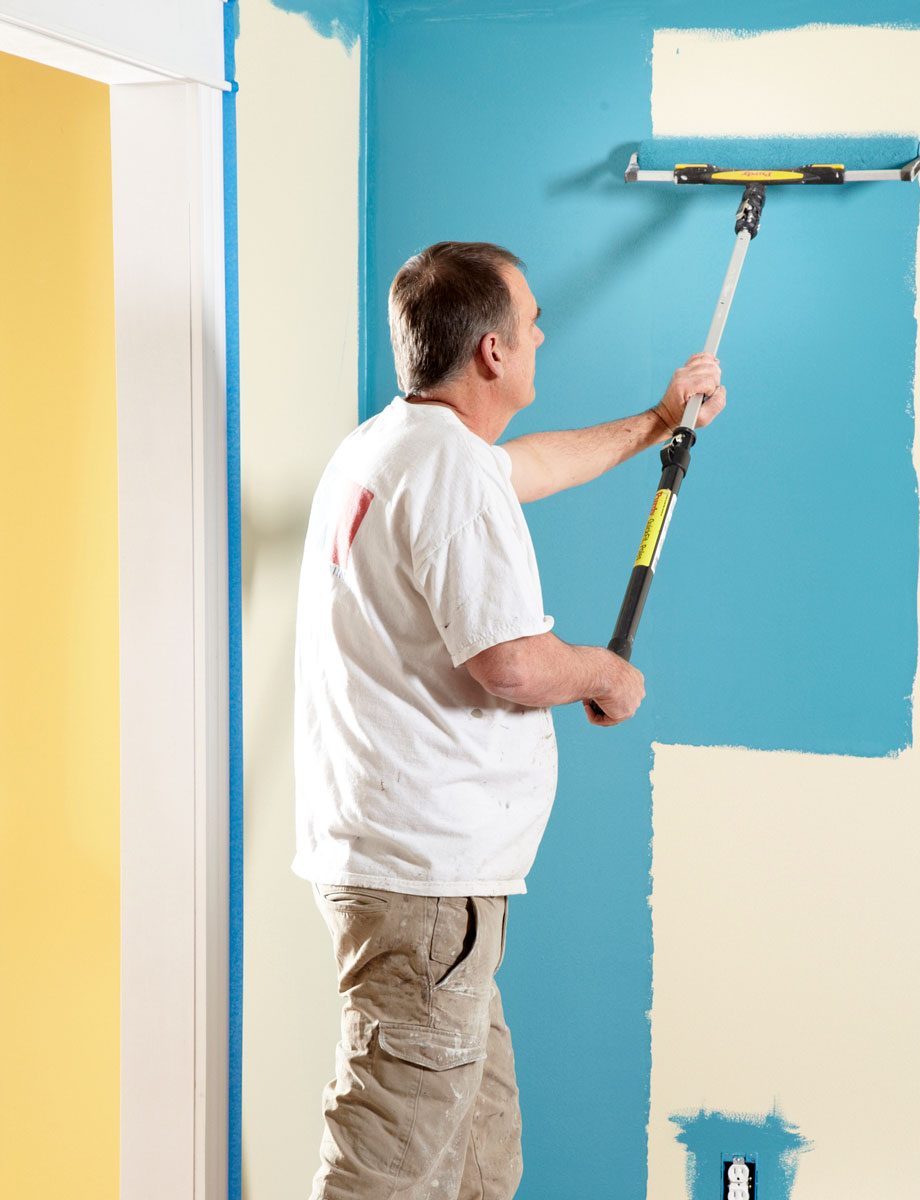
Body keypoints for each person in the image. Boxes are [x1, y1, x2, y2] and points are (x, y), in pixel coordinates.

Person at [292, 241, 725, 1200]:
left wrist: (659, 422)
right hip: (423, 889)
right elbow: (512, 664)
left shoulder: (397, 447)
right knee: (390, 1174)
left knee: (480, 1165)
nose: (541, 332)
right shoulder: (443, 470)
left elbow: (521, 469)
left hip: (426, 890)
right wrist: (601, 674)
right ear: (492, 352)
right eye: (529, 320)